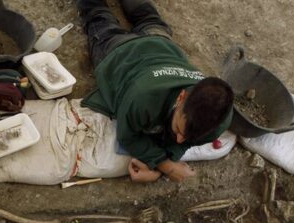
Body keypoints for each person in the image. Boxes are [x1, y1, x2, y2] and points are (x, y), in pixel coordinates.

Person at [76, 0, 233, 183]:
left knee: (150, 19)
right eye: (179, 130)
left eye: (188, 137)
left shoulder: (219, 121)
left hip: (162, 45)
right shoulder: (142, 98)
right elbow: (128, 136)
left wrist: (162, 163)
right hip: (121, 52)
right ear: (181, 97)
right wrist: (166, 165)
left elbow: (182, 143)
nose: (180, 140)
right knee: (98, 16)